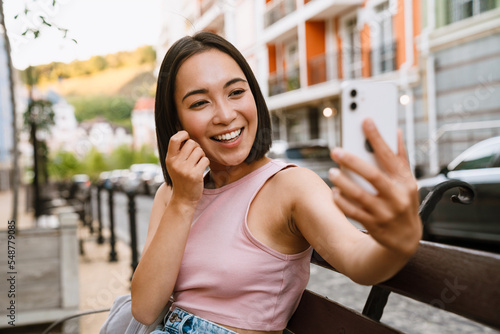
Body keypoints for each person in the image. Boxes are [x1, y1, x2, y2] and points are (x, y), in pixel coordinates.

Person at [130, 31, 422, 334]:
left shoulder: (291, 186)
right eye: (200, 103)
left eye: (235, 92)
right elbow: (145, 307)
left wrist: (397, 240)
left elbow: (357, 258)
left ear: (254, 95)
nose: (226, 115)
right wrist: (183, 201)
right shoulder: (171, 195)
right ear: (177, 122)